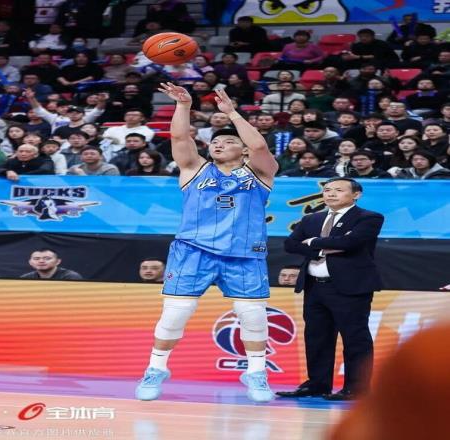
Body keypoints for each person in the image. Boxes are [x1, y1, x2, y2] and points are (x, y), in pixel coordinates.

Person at [135, 84, 278, 403]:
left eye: (229, 141)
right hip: (193, 250)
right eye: (215, 141)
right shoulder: (194, 169)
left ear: (242, 150)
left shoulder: (260, 173)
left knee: (252, 315)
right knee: (176, 313)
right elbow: (179, 138)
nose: (219, 144)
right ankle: (155, 369)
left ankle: (256, 373)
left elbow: (258, 145)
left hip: (244, 253)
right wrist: (183, 105)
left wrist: (232, 114)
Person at [277, 177, 384, 401]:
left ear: (356, 194)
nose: (331, 194)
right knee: (317, 337)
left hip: (350, 287)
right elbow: (290, 244)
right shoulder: (311, 218)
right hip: (314, 286)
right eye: (327, 190)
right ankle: (317, 384)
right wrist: (324, 248)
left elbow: (350, 243)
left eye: (338, 190)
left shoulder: (369, 217)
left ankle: (356, 388)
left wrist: (312, 242)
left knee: (355, 338)